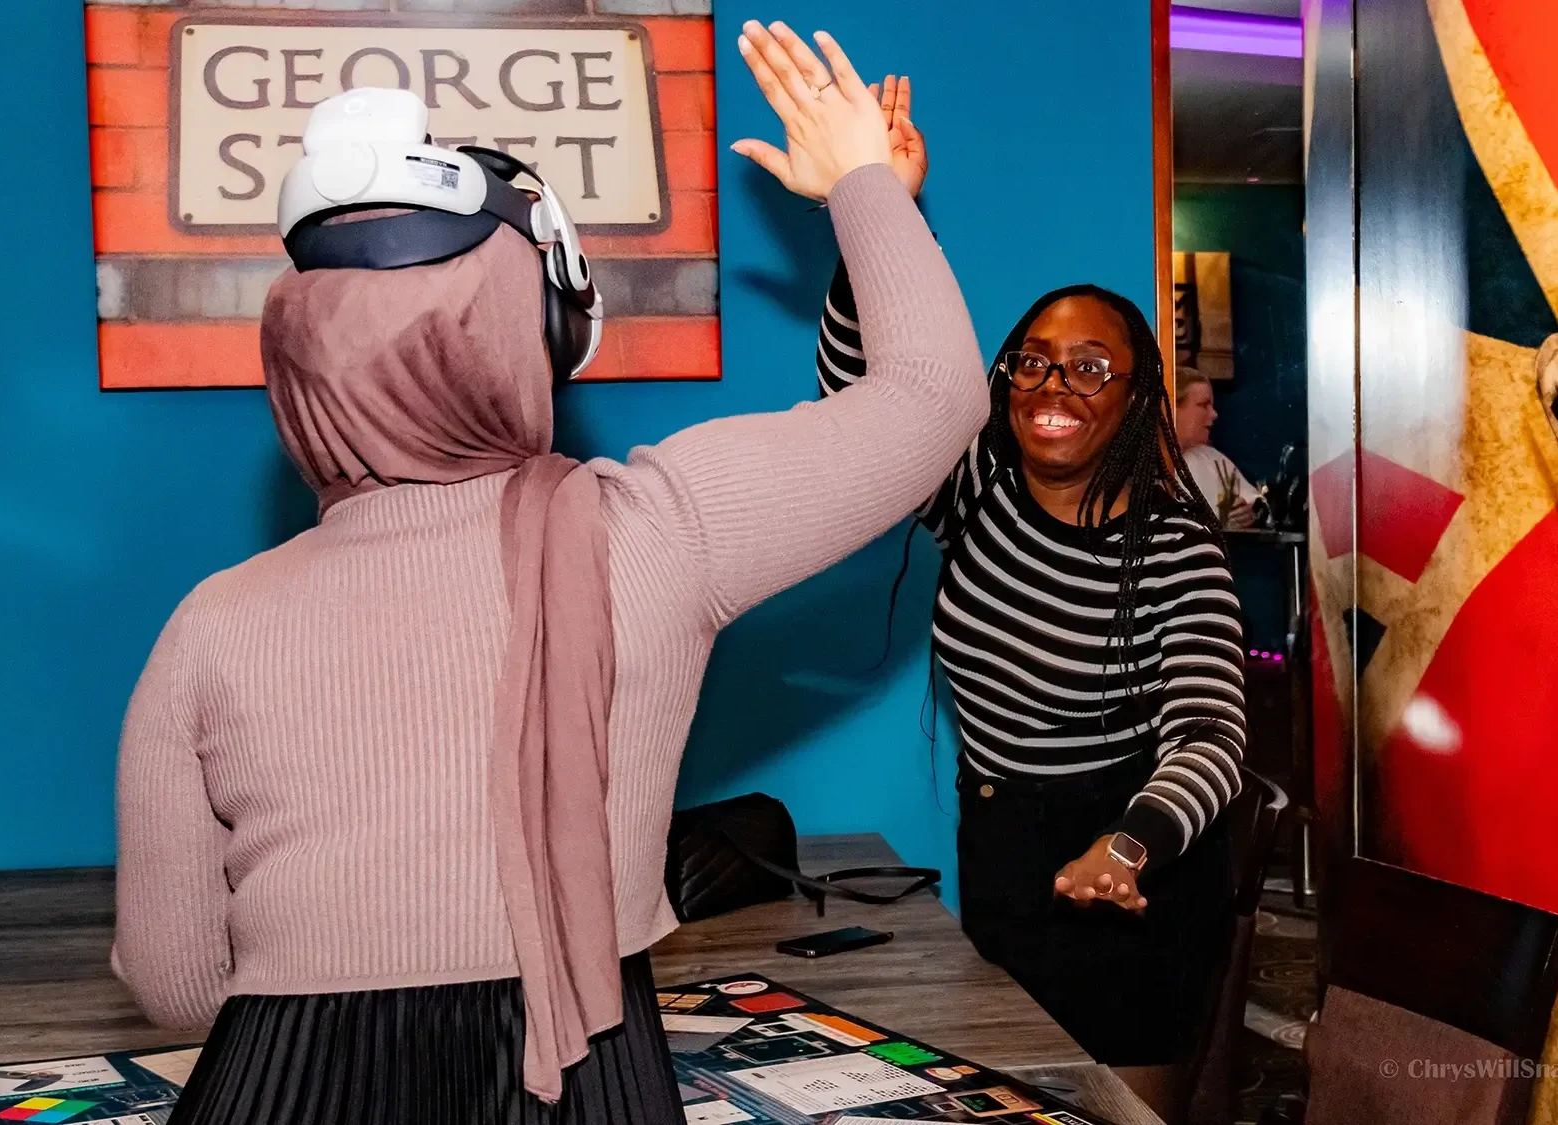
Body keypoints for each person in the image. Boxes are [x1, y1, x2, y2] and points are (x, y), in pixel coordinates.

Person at [111, 21, 988, 1125]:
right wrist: (866, 180)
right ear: (550, 329)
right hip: (580, 1081)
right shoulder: (658, 534)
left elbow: (178, 985)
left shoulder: (209, 625)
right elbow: (933, 399)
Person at [793, 72, 1248, 1123]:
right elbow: (861, 405)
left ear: (1138, 399)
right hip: (1001, 849)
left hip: (1135, 873)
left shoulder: (1176, 551)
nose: (1054, 387)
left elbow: (1211, 736)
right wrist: (878, 208)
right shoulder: (975, 496)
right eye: (1032, 363)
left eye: (1092, 367)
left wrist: (1129, 842)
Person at [1175, 366, 1259, 530]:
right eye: (1203, 405)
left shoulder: (1213, 459)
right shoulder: (1139, 463)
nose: (1214, 414)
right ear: (1172, 408)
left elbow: (1255, 503)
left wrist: (1250, 512)